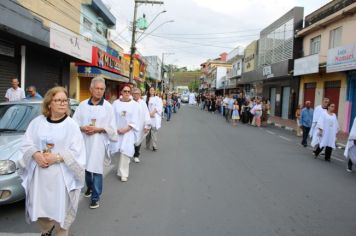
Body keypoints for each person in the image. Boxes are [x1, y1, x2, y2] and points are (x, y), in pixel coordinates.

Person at [18, 86, 86, 236]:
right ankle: (46, 230)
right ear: (49, 103)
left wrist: (56, 157)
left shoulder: (71, 125)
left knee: (60, 212)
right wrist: (36, 154)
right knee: (40, 209)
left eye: (65, 100)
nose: (63, 103)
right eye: (58, 100)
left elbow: (78, 151)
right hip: (40, 176)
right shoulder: (37, 122)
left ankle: (61, 232)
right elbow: (26, 143)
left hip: (60, 176)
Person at [72, 77, 117, 209]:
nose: (99, 91)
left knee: (97, 170)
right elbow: (74, 123)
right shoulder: (82, 105)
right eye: (96, 88)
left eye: (102, 89)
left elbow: (112, 128)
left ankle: (95, 197)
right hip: (84, 141)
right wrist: (82, 128)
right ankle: (90, 187)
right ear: (91, 89)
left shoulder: (108, 107)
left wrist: (99, 129)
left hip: (99, 143)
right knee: (86, 168)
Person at [111, 85, 140, 182]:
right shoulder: (115, 103)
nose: (127, 93)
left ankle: (123, 173)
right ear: (121, 92)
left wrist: (127, 129)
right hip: (117, 131)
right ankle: (120, 169)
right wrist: (116, 129)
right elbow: (112, 117)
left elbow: (136, 119)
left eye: (128, 91)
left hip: (128, 132)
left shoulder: (135, 105)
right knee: (117, 151)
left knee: (126, 152)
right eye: (125, 91)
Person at [132, 88, 151, 163]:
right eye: (135, 93)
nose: (136, 95)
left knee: (138, 141)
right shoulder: (129, 102)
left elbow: (146, 114)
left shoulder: (143, 103)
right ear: (132, 94)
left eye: (138, 94)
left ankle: (136, 155)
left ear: (140, 95)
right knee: (129, 141)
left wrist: (147, 126)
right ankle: (128, 155)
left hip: (140, 125)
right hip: (130, 126)